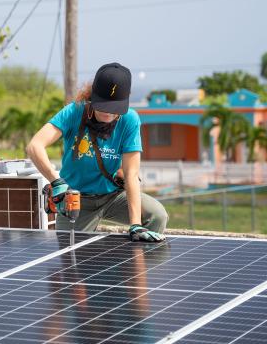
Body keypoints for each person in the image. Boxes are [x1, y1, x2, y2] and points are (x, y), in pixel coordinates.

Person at [26, 62, 168, 242]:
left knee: (157, 215)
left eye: (114, 108)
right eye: (103, 106)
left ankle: (136, 267)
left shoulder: (130, 120)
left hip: (113, 196)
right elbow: (35, 145)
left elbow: (132, 174)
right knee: (72, 258)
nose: (109, 113)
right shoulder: (74, 112)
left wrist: (135, 224)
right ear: (93, 97)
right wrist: (56, 182)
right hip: (77, 200)